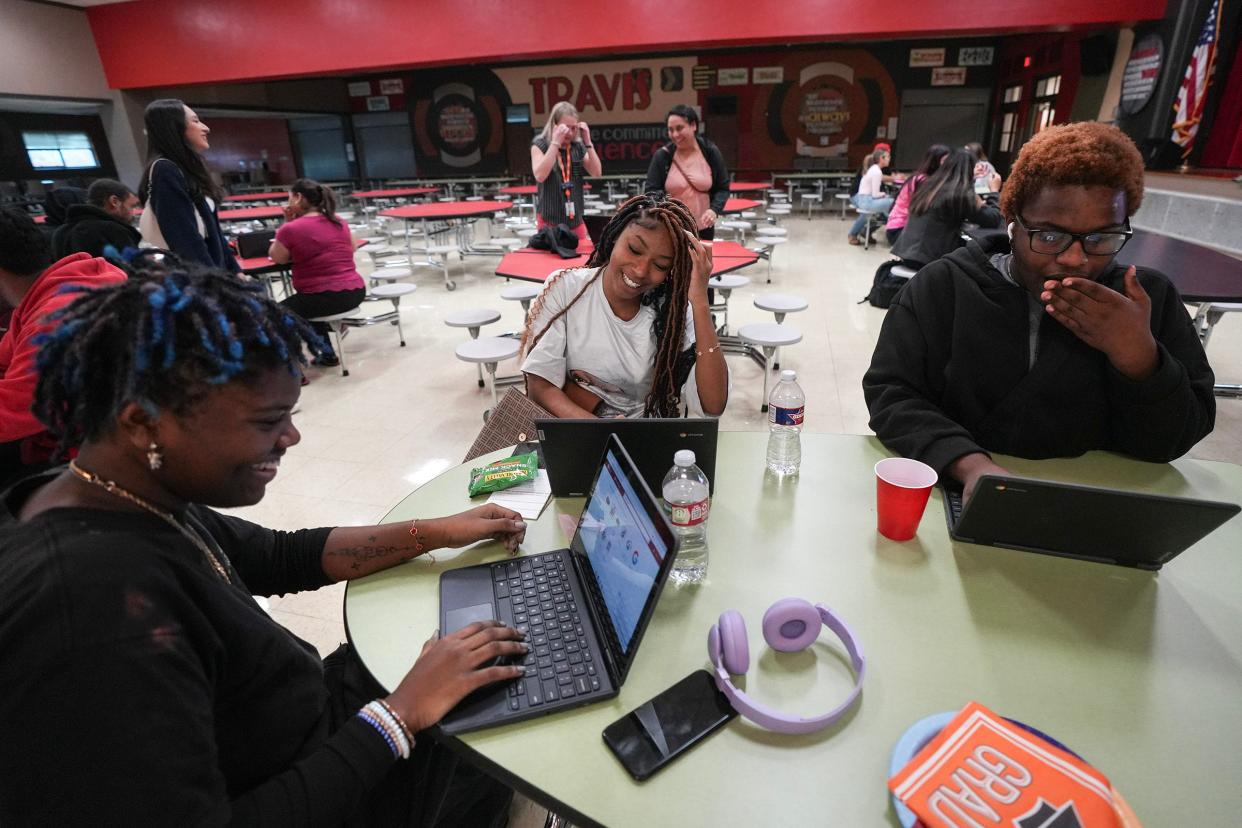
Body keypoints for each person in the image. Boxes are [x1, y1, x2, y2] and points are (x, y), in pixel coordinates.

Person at [0, 261, 527, 824]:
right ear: (143, 423)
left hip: (308, 724)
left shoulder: (121, 488)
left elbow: (278, 556)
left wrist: (437, 531)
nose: (292, 437)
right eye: (267, 422)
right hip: (309, 782)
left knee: (475, 647)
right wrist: (400, 716)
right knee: (496, 721)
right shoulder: (90, 611)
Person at [863, 121, 1216, 502]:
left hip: (1099, 499)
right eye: (1048, 236)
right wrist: (969, 464)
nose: (1074, 259)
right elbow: (892, 393)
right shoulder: (942, 288)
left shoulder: (1149, 300)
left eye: (1102, 238)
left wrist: (1140, 358)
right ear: (1012, 223)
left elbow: (1176, 438)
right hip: (959, 488)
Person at [520, 194, 727, 419]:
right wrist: (603, 431)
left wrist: (699, 299)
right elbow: (539, 387)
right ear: (614, 236)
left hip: (644, 435)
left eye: (660, 265)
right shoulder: (566, 289)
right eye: (634, 249)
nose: (640, 270)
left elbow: (714, 404)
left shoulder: (673, 312)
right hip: (576, 429)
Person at [0, 208, 126, 488]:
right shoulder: (59, 289)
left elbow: (12, 412)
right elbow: (7, 356)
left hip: (92, 458)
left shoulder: (55, 318)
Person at [269, 178, 365, 368]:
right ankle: (327, 354)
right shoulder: (338, 221)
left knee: (272, 315)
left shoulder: (290, 229)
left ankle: (292, 369)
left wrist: (286, 224)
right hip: (355, 291)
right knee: (305, 304)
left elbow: (277, 257)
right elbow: (353, 247)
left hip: (324, 298)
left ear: (297, 198)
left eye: (289, 197)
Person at [137, 99, 241, 274]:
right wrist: (215, 282)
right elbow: (185, 240)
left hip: (214, 275)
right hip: (199, 281)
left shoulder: (189, 169)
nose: (205, 127)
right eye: (195, 121)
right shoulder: (165, 170)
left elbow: (214, 232)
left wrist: (235, 270)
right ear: (174, 127)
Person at [889, 148, 1002, 269]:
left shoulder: (929, 184)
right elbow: (993, 219)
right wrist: (994, 192)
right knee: (984, 256)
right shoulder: (959, 194)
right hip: (929, 259)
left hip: (907, 253)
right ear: (969, 170)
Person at [643, 105, 729, 240]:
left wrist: (714, 210)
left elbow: (722, 188)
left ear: (693, 125)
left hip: (703, 229)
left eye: (679, 128)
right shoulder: (662, 156)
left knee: (701, 261)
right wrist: (666, 209)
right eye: (671, 130)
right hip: (671, 229)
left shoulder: (710, 152)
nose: (675, 134)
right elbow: (651, 190)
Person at [530, 101, 602, 242]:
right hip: (549, 221)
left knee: (579, 262)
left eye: (574, 128)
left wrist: (588, 142)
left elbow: (597, 172)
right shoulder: (540, 145)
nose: (570, 132)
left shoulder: (577, 146)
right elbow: (540, 175)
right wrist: (555, 143)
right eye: (565, 128)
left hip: (575, 221)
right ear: (554, 126)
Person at [50, 178, 142, 260]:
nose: (133, 213)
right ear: (114, 201)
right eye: (132, 206)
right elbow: (135, 271)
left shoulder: (60, 233)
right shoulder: (114, 230)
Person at [883, 143, 950, 246]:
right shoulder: (922, 180)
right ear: (934, 161)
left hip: (903, 227)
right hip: (900, 229)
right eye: (945, 161)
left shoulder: (922, 177)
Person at [847, 147, 893, 245]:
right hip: (865, 200)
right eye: (888, 157)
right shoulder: (876, 171)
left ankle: (867, 231)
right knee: (892, 202)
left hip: (864, 199)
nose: (889, 159)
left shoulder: (873, 169)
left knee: (886, 209)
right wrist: (884, 195)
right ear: (881, 158)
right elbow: (875, 194)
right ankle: (894, 229)